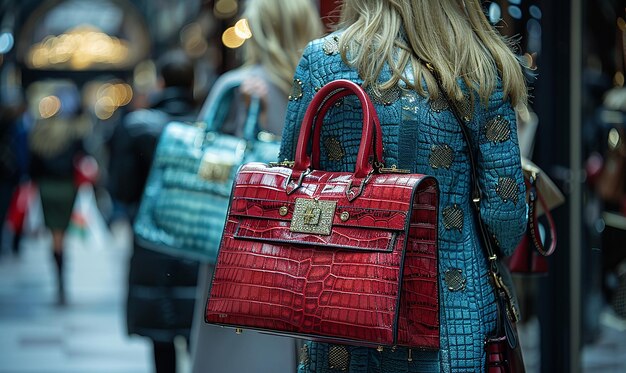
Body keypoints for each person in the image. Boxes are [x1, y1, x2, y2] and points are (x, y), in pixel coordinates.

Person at [277, 0, 529, 371]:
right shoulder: (479, 65)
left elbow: (291, 178)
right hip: (451, 309)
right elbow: (505, 214)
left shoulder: (323, 59)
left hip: (342, 305)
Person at [188, 0, 322, 372]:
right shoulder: (324, 89)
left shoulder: (237, 87)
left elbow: (202, 164)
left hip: (236, 245)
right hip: (305, 242)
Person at [108, 50, 199, 373]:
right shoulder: (209, 126)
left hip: (152, 240)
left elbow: (121, 190)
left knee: (161, 342)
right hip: (198, 243)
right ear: (192, 83)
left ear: (161, 82)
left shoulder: (138, 127)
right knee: (197, 334)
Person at [28, 83, 90, 306]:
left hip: (47, 187)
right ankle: (62, 277)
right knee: (62, 234)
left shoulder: (39, 131)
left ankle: (58, 274)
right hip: (67, 187)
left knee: (53, 235)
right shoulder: (74, 131)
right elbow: (84, 157)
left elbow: (32, 165)